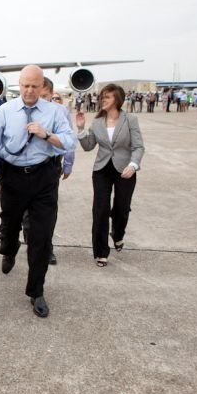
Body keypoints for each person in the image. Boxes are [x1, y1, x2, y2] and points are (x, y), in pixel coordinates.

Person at [0, 65, 74, 319]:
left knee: (41, 237)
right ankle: (9, 250)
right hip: (13, 177)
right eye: (25, 85)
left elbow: (69, 141)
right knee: (10, 225)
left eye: (35, 85)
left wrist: (47, 135)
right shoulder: (5, 111)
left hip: (44, 177)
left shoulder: (54, 112)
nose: (30, 90)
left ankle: (36, 291)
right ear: (18, 85)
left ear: (42, 85)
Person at [75, 83, 145, 267]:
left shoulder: (130, 119)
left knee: (121, 209)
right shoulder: (97, 122)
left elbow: (138, 146)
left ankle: (118, 234)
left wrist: (133, 164)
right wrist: (81, 129)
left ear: (117, 99)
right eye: (102, 97)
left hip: (125, 170)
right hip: (102, 170)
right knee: (101, 209)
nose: (102, 100)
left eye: (107, 97)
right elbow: (89, 146)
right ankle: (101, 251)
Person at [21, 79, 76, 266]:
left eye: (44, 96)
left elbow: (69, 140)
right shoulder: (23, 108)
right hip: (26, 168)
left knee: (47, 212)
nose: (39, 99)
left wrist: (68, 164)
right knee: (27, 214)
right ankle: (31, 241)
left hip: (51, 167)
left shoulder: (60, 112)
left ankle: (46, 247)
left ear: (50, 94)